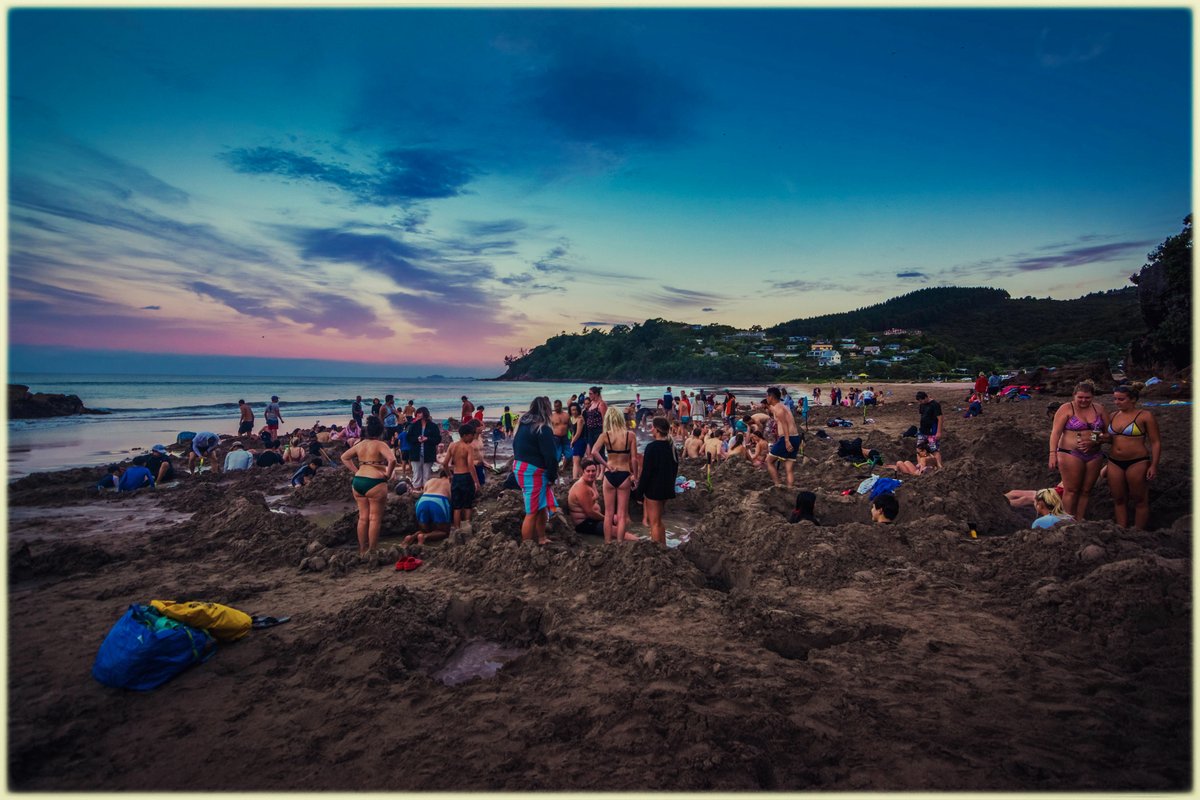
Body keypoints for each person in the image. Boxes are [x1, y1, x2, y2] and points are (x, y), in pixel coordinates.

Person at [1103, 382, 1161, 528]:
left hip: (1137, 461)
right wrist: (1098, 439)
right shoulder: (1113, 415)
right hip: (1114, 461)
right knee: (1119, 499)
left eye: (1121, 399)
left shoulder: (1145, 416)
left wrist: (1153, 465)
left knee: (1139, 499)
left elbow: (1155, 442)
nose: (1117, 402)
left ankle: (1138, 532)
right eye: (1115, 399)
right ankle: (1122, 530)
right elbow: (1111, 440)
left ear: (1133, 399)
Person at [1048, 380, 1107, 520]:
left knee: (1086, 491)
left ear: (1093, 396)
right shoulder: (1066, 408)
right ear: (1074, 396)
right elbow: (1055, 432)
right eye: (1080, 397)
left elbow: (1109, 433)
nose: (1083, 400)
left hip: (1094, 454)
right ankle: (1066, 520)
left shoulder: (1099, 409)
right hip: (1070, 453)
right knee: (1071, 490)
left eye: (1087, 398)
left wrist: (1093, 440)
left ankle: (1079, 520)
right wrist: (1052, 454)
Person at [339, 416, 396, 554]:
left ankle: (362, 549)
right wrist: (387, 474)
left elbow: (344, 457)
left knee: (363, 517)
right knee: (374, 518)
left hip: (358, 482)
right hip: (375, 482)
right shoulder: (380, 444)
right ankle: (372, 550)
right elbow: (392, 460)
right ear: (381, 431)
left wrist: (357, 470)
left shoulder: (360, 444)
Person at [512, 396, 559, 545]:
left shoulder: (523, 424)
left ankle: (541, 538)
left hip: (519, 467)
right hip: (533, 472)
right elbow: (550, 456)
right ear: (547, 409)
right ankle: (527, 546)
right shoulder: (543, 428)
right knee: (531, 511)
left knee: (540, 507)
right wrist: (552, 476)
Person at [592, 406, 639, 545]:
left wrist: (606, 465)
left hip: (609, 475)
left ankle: (607, 543)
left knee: (608, 514)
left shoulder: (605, 435)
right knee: (622, 514)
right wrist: (635, 477)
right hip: (624, 474)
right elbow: (634, 459)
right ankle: (619, 543)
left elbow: (594, 452)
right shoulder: (630, 435)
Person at [638, 416, 679, 546]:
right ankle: (664, 547)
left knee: (653, 523)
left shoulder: (652, 447)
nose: (650, 429)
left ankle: (657, 552)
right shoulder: (671, 447)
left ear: (656, 430)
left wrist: (640, 492)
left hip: (654, 489)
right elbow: (675, 469)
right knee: (659, 521)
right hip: (667, 488)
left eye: (652, 427)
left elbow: (646, 472)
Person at [442, 421, 481, 530]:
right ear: (465, 435)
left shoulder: (452, 445)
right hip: (466, 477)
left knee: (457, 507)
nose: (473, 438)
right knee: (467, 505)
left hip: (456, 477)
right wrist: (476, 482)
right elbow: (470, 466)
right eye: (472, 435)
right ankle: (466, 528)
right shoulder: (468, 447)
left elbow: (445, 464)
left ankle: (457, 530)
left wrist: (449, 475)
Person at [765, 386, 802, 488]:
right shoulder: (782, 406)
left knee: (769, 461)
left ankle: (777, 485)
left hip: (788, 438)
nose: (766, 398)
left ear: (771, 397)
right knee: (788, 468)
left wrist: (786, 441)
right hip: (795, 437)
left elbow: (784, 424)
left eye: (767, 396)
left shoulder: (778, 408)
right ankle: (790, 489)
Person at [404, 473, 452, 546]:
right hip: (439, 501)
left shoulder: (431, 480)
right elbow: (452, 500)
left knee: (425, 530)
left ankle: (411, 537)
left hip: (422, 501)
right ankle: (425, 537)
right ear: (449, 476)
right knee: (444, 532)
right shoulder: (449, 483)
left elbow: (424, 491)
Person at [567, 458, 606, 536]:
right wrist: (606, 519)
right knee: (613, 529)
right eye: (588, 471)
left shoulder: (591, 480)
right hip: (584, 523)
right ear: (583, 472)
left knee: (616, 518)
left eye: (593, 471)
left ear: (596, 471)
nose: (591, 473)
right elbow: (590, 512)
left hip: (593, 518)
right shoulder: (582, 487)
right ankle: (636, 540)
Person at [407, 407, 441, 490]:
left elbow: (438, 439)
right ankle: (416, 490)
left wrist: (427, 439)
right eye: (417, 413)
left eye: (420, 413)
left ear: (425, 414)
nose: (418, 415)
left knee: (426, 475)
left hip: (428, 453)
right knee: (417, 474)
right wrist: (417, 439)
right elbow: (409, 438)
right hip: (415, 453)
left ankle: (426, 490)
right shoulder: (413, 425)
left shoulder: (433, 426)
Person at [915, 391, 944, 468]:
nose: (920, 402)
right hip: (922, 430)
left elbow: (940, 418)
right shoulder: (922, 405)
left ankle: (939, 466)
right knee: (919, 449)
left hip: (932, 432)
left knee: (934, 449)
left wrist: (938, 432)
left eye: (921, 400)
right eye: (919, 401)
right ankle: (921, 466)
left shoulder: (935, 405)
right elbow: (923, 415)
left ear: (925, 397)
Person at [582, 386, 607, 457]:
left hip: (598, 431)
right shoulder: (592, 403)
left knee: (599, 452)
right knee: (591, 451)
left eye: (591, 394)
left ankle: (601, 467)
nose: (589, 395)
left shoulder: (601, 404)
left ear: (596, 394)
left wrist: (603, 434)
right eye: (589, 394)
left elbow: (605, 420)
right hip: (590, 431)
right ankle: (595, 467)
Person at [549, 399, 571, 481]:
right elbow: (549, 428)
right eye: (555, 406)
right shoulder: (552, 416)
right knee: (557, 455)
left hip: (565, 437)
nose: (556, 408)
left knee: (569, 454)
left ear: (561, 405)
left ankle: (564, 467)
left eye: (558, 406)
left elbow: (570, 426)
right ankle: (557, 469)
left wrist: (572, 436)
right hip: (556, 438)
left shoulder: (566, 415)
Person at [567, 402, 587, 479]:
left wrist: (572, 442)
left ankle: (575, 479)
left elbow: (578, 433)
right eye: (572, 410)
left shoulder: (580, 419)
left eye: (575, 410)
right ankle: (582, 477)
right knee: (576, 461)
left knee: (576, 461)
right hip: (575, 440)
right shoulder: (572, 418)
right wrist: (571, 440)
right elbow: (573, 432)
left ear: (578, 410)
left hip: (580, 441)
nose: (574, 412)